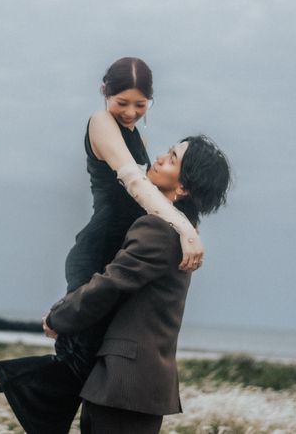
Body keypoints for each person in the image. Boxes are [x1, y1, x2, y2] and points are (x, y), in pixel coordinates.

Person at [0, 57, 204, 432]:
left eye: (141, 104)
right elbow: (137, 185)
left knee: (88, 367)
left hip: (117, 249)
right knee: (78, 364)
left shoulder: (136, 136)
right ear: (104, 91)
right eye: (122, 102)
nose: (130, 112)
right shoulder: (101, 122)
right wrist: (185, 228)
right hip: (98, 248)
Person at [44, 135, 231, 433]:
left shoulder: (158, 229)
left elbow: (111, 284)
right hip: (132, 387)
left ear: (183, 187)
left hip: (125, 384)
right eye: (167, 152)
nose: (159, 158)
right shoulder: (180, 232)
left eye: (171, 159)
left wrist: (59, 317)